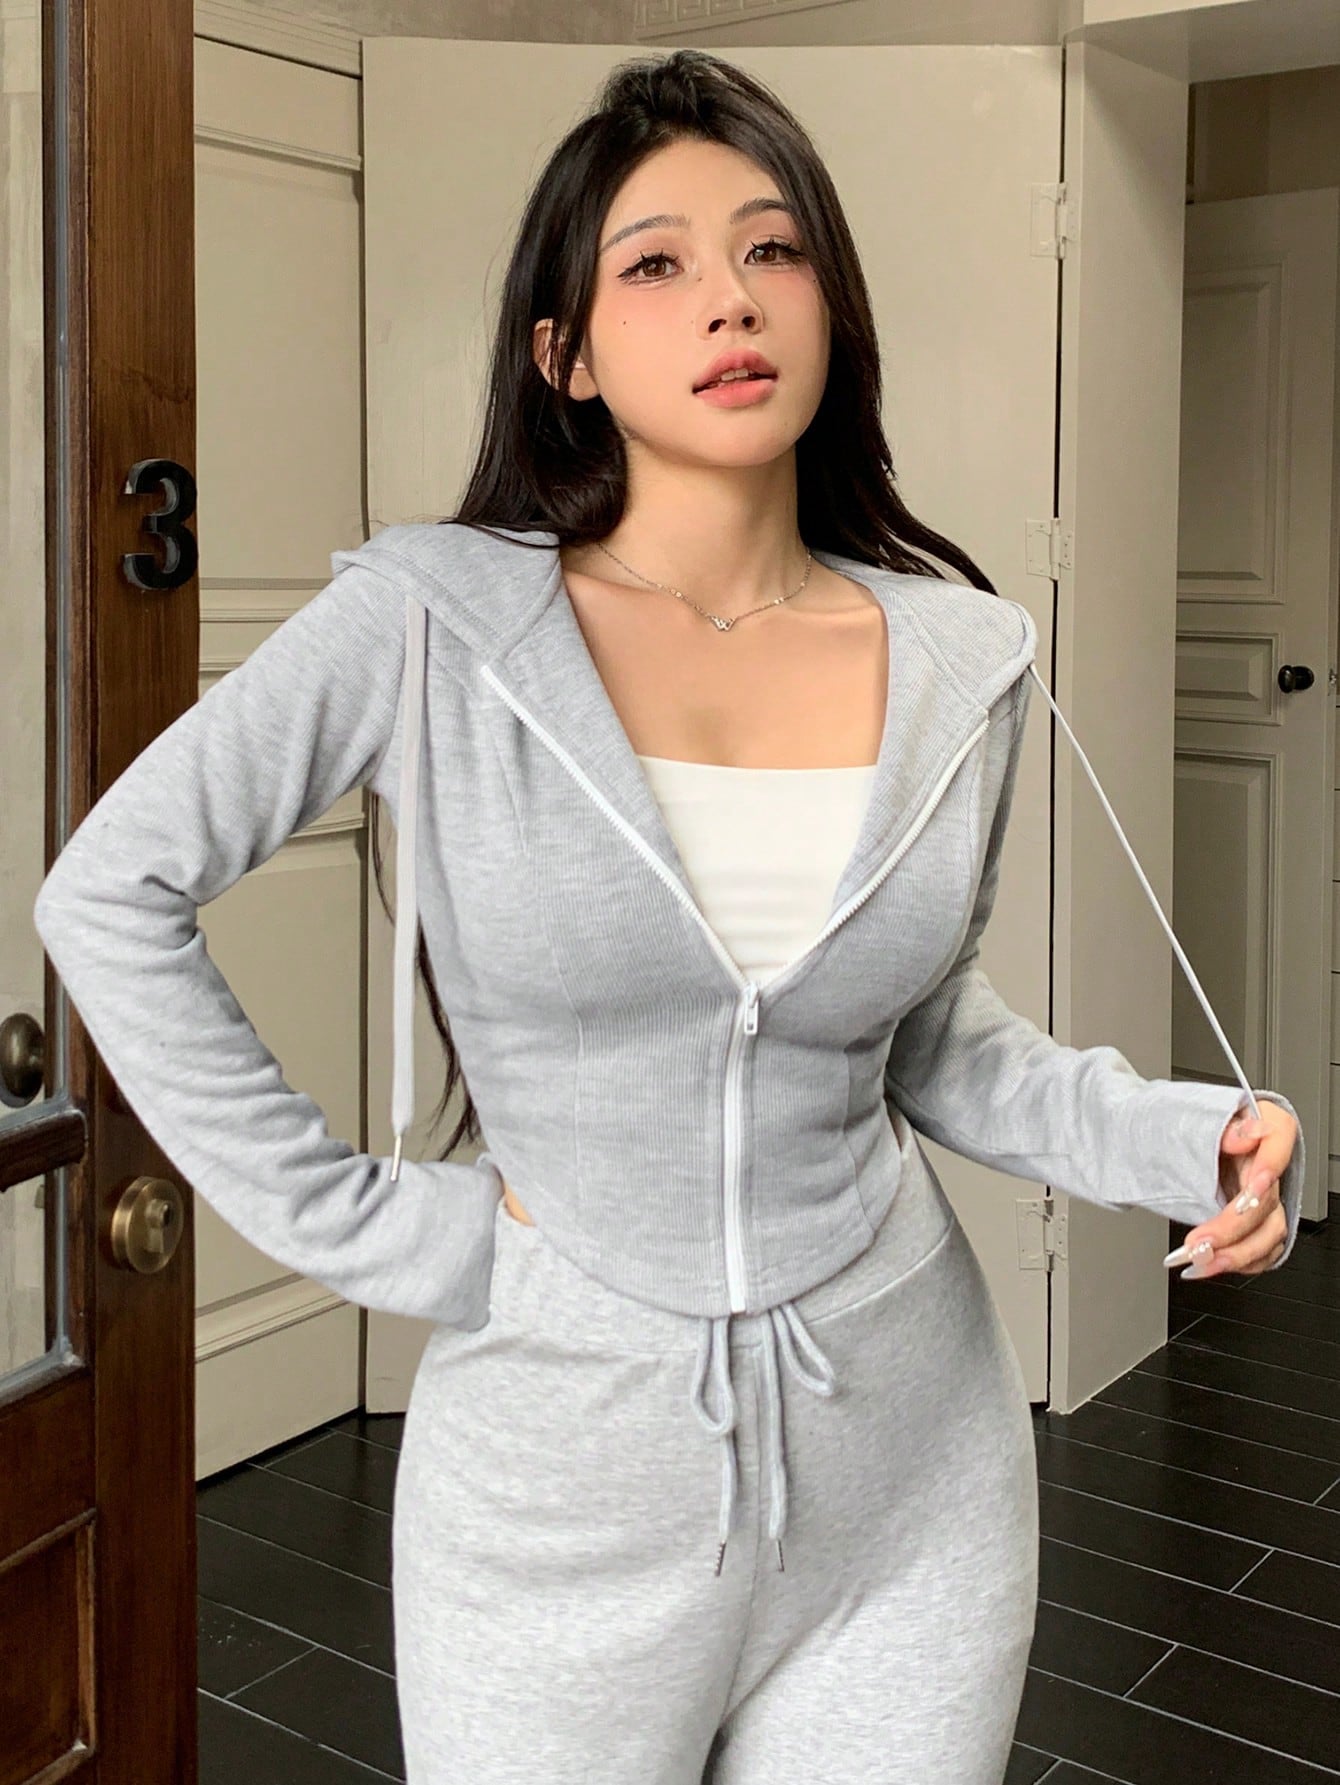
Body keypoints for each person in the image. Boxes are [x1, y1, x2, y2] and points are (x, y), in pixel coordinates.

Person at [34, 47, 1301, 1785]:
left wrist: (1187, 1137)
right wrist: (386, 1234)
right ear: (564, 355)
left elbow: (929, 1038)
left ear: (831, 307)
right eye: (657, 263)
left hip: (912, 1473)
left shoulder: (960, 657)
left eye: (774, 249)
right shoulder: (431, 622)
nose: (732, 296)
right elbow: (109, 891)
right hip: (555, 1490)